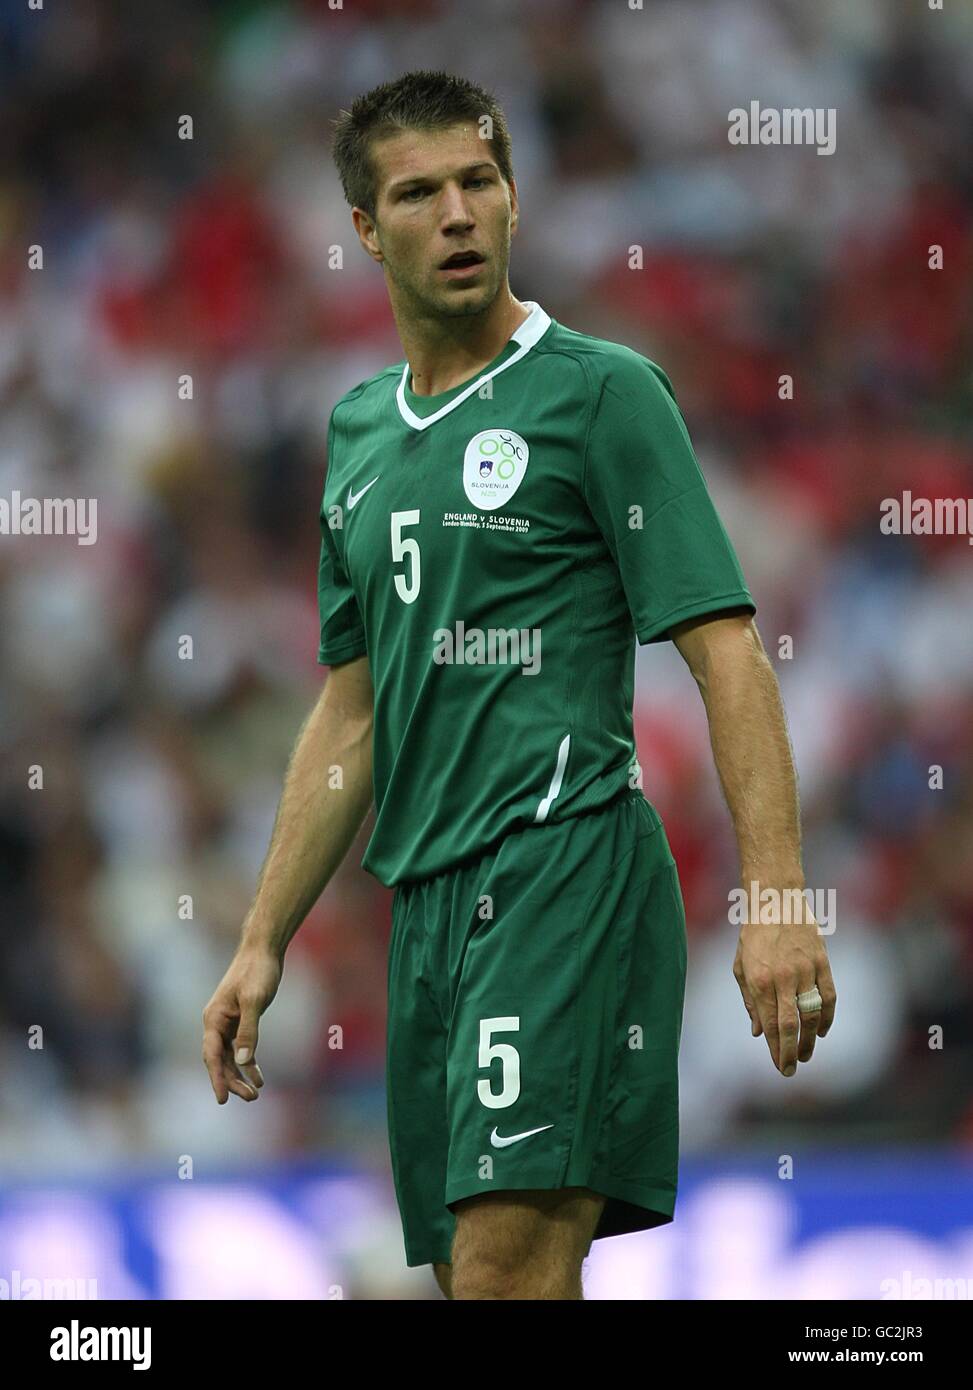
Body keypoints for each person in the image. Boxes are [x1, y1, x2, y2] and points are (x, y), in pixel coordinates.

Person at [202, 69, 836, 1301]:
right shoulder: (357, 435)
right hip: (427, 912)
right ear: (363, 230)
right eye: (419, 192)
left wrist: (774, 895)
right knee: (479, 1283)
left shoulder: (601, 395)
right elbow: (354, 709)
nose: (456, 213)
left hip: (562, 871)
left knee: (501, 1271)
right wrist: (260, 938)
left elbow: (727, 652)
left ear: (513, 199)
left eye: (479, 182)